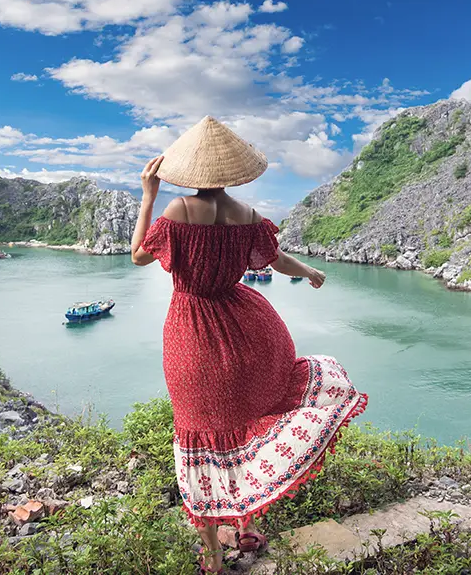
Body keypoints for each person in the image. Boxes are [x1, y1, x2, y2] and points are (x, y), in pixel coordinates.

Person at [131, 117, 368, 574]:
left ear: (190, 172)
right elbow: (277, 261)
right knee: (245, 424)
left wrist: (148, 196)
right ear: (231, 171)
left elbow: (140, 254)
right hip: (251, 328)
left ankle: (214, 554)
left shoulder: (178, 209)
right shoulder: (249, 217)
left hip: (194, 333)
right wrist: (313, 273)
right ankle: (246, 525)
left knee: (198, 431)